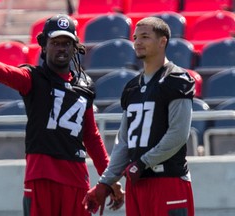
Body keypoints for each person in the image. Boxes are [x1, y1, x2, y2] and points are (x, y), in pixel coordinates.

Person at [0, 14, 124, 216]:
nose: (62, 48)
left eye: (67, 43)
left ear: (75, 47)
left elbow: (91, 137)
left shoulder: (85, 86)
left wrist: (110, 179)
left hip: (76, 179)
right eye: (55, 42)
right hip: (41, 177)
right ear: (44, 46)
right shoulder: (33, 78)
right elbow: (11, 74)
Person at [83, 16, 195, 216]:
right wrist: (105, 183)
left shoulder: (177, 79)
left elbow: (178, 134)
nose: (137, 42)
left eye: (145, 37)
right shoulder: (132, 87)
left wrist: (143, 162)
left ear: (163, 41)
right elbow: (124, 142)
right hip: (137, 184)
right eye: (135, 37)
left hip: (167, 180)